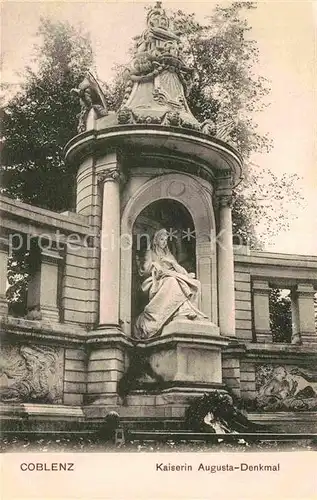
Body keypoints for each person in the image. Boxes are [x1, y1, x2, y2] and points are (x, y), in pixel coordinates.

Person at [134, 228, 207, 340]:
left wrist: (172, 262)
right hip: (155, 280)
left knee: (191, 282)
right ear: (156, 240)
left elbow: (181, 271)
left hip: (170, 276)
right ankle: (182, 309)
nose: (164, 242)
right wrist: (155, 267)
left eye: (166, 240)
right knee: (172, 281)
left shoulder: (168, 255)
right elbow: (145, 271)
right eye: (162, 239)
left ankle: (184, 309)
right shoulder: (151, 252)